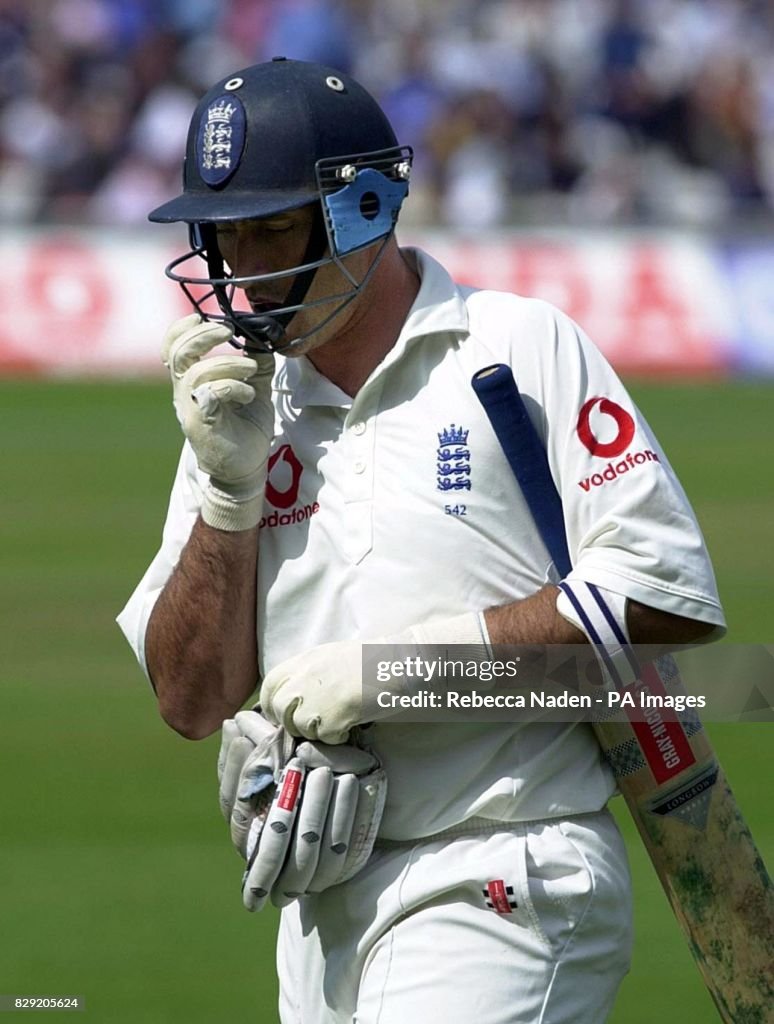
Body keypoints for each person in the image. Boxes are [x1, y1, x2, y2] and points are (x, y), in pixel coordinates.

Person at [117, 57, 726, 1024]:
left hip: (509, 863)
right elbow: (191, 700)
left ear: (364, 208)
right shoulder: (240, 407)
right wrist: (228, 495)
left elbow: (668, 590)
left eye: (272, 229)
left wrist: (396, 674)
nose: (245, 273)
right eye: (223, 239)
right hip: (321, 898)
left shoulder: (517, 347)